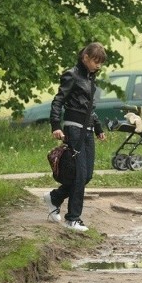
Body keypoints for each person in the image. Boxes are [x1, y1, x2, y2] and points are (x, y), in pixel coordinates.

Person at [43, 42, 107, 231]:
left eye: (101, 63)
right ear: (85, 57)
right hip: (74, 128)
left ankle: (55, 197)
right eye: (96, 61)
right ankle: (73, 218)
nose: (99, 66)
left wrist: (98, 127)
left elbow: (88, 106)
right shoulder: (72, 75)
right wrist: (55, 125)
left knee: (86, 175)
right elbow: (58, 101)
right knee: (79, 174)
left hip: (87, 129)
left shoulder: (90, 77)